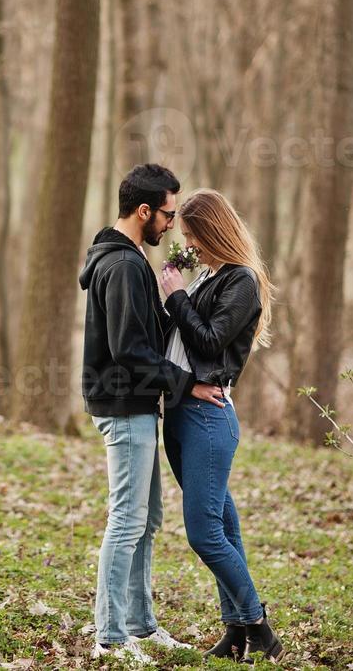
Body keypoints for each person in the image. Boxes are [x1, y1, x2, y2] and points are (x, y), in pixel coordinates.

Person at [78, 163, 220, 664]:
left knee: (147, 519)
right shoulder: (120, 266)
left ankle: (140, 623)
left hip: (136, 404)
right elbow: (129, 349)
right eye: (167, 214)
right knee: (125, 520)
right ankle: (111, 638)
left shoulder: (132, 258)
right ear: (144, 211)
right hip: (122, 403)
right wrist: (190, 384)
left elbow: (147, 332)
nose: (171, 223)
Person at [157, 188, 283, 662]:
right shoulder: (211, 274)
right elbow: (180, 343)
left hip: (208, 419)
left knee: (204, 533)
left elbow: (209, 344)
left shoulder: (241, 281)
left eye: (194, 236)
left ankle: (259, 626)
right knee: (224, 528)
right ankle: (235, 633)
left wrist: (178, 296)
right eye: (185, 237)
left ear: (214, 232)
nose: (189, 245)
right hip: (183, 415)